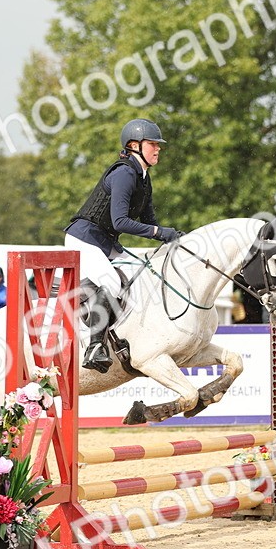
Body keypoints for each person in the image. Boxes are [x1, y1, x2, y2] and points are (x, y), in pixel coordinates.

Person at [64, 118, 182, 372]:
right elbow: (120, 222)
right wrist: (161, 232)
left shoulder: (143, 178)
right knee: (111, 281)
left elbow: (150, 222)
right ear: (134, 145)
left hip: (104, 241)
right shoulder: (124, 173)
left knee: (141, 274)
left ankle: (123, 336)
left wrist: (170, 238)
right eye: (152, 144)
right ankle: (95, 347)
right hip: (84, 238)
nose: (158, 148)